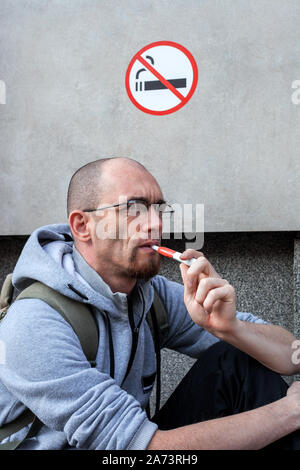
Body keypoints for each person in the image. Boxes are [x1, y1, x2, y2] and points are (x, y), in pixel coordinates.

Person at [0, 157, 299, 450]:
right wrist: (288, 413)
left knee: (240, 360)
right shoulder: (35, 321)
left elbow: (291, 358)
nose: (156, 223)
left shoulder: (149, 295)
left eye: (159, 209)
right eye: (134, 208)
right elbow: (140, 448)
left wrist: (231, 328)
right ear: (82, 226)